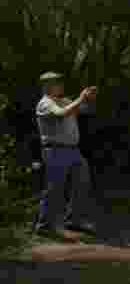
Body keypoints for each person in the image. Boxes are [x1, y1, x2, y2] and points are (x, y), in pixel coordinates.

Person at [34, 72, 98, 237]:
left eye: (60, 82)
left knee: (82, 183)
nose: (61, 85)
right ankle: (44, 225)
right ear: (47, 86)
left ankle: (74, 221)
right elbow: (61, 114)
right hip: (54, 150)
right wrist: (81, 98)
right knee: (54, 188)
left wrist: (89, 99)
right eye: (57, 82)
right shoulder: (45, 103)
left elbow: (85, 110)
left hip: (73, 150)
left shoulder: (64, 100)